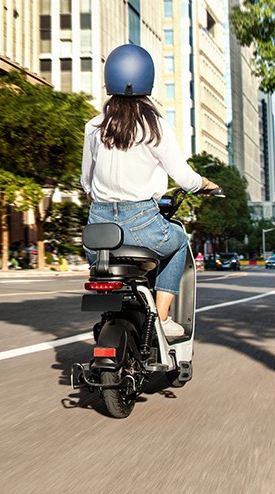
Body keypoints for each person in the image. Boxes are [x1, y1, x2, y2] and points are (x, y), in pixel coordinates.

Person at [80, 44, 219, 340]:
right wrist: (206, 184)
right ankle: (163, 318)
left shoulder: (93, 127)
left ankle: (114, 316)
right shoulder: (156, 128)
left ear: (109, 80)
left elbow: (86, 182)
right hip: (142, 223)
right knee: (180, 242)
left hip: (98, 230)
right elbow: (185, 178)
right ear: (148, 82)